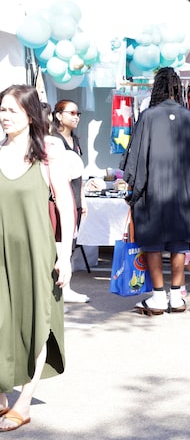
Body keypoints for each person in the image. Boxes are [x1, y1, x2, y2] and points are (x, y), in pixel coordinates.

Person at [1, 85, 75, 432]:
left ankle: (24, 401)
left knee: (37, 324)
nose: (4, 116)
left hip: (36, 253)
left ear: (30, 115)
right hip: (1, 254)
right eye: (1, 110)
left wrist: (65, 256)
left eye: (12, 111)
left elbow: (65, 205)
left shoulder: (48, 154)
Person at [122, 68, 190, 315]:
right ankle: (176, 297)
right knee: (179, 244)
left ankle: (157, 298)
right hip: (182, 193)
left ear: (157, 88)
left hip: (152, 192)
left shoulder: (148, 116)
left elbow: (136, 157)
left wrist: (132, 189)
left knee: (151, 244)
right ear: (178, 88)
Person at [51, 99, 89, 304]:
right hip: (58, 198)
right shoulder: (52, 140)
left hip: (75, 198)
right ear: (58, 115)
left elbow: (78, 174)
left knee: (71, 243)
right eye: (71, 113)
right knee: (59, 243)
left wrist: (82, 198)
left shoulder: (75, 140)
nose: (76, 117)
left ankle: (67, 286)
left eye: (78, 113)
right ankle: (61, 287)